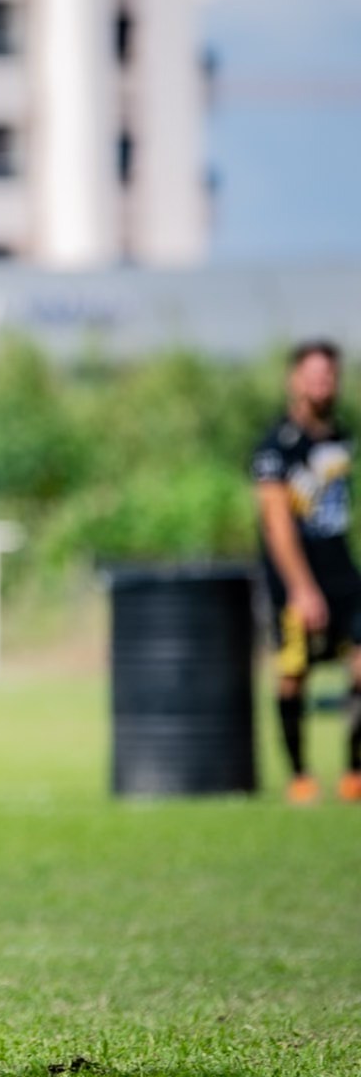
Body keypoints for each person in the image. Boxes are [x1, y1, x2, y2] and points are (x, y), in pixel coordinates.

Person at [251, 340, 361, 805]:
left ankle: (354, 773)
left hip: (344, 574)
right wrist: (301, 589)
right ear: (294, 380)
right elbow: (277, 525)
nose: (322, 383)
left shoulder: (341, 439)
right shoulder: (276, 448)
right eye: (313, 374)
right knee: (293, 674)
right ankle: (300, 776)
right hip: (296, 582)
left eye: (329, 375)